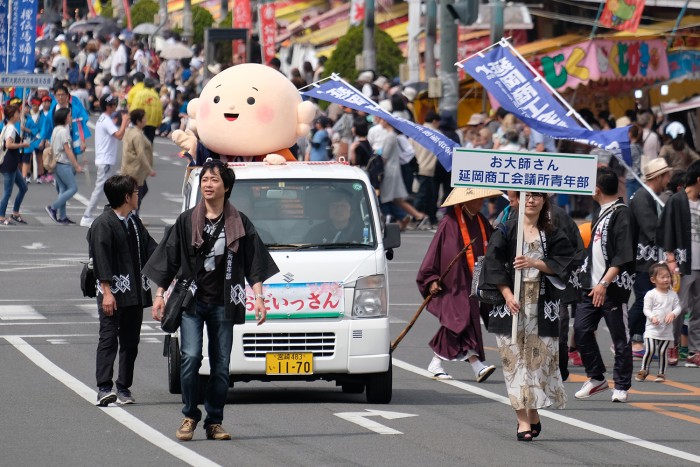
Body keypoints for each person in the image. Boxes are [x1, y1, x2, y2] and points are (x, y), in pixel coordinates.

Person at [144, 159, 279, 441]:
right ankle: (190, 415)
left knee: (221, 364)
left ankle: (214, 420)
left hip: (224, 302)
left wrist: (259, 298)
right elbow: (169, 259)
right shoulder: (186, 220)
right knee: (191, 357)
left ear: (226, 186)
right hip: (192, 301)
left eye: (214, 180)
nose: (208, 184)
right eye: (205, 179)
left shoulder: (239, 222)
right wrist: (159, 295)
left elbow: (254, 262)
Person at [482, 191, 574, 441]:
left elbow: (564, 261)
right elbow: (492, 263)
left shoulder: (552, 231)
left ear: (545, 200)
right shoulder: (505, 229)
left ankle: (533, 410)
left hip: (542, 306)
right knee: (515, 365)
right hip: (511, 304)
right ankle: (522, 420)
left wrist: (535, 263)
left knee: (538, 364)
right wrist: (507, 293)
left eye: (537, 196)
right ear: (518, 200)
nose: (531, 200)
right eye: (526, 196)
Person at [416, 187, 501, 383]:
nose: (481, 203)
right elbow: (434, 254)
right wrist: (431, 279)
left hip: (473, 282)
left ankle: (440, 363)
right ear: (464, 201)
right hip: (452, 283)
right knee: (460, 320)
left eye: (482, 199)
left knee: (462, 322)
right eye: (476, 199)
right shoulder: (449, 222)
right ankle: (476, 365)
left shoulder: (480, 221)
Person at [89, 174, 158, 406]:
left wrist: (174, 263)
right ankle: (104, 387)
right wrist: (107, 292)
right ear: (127, 197)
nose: (139, 195)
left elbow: (152, 250)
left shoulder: (134, 222)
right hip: (113, 293)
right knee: (108, 338)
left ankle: (124, 387)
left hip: (135, 292)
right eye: (136, 192)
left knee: (131, 341)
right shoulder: (103, 223)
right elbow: (101, 260)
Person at [573, 167, 635, 403]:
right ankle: (596, 377)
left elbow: (623, 254)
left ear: (596, 189)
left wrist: (605, 283)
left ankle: (621, 385)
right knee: (580, 331)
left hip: (612, 287)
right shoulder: (600, 210)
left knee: (620, 338)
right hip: (592, 285)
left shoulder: (622, 214)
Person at [628, 159, 673, 360]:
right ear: (659, 177)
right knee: (643, 301)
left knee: (646, 300)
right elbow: (652, 231)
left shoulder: (647, 196)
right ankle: (621, 336)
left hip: (646, 258)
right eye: (666, 175)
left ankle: (634, 342)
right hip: (642, 259)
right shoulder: (642, 197)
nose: (669, 179)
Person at [658, 159, 700, 368]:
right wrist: (671, 259)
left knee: (699, 309)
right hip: (683, 264)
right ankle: (672, 345)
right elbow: (665, 229)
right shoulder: (677, 200)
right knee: (678, 308)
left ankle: (694, 350)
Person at [81, 95, 129, 227]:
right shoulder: (106, 120)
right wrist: (124, 121)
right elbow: (119, 136)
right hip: (105, 160)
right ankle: (87, 215)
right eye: (113, 104)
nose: (115, 106)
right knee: (101, 188)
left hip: (105, 159)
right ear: (108, 106)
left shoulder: (104, 119)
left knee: (109, 188)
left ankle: (115, 214)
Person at [635, 263, 681, 383]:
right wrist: (652, 317)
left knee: (662, 352)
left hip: (666, 330)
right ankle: (644, 370)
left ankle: (661, 373)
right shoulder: (651, 294)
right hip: (652, 329)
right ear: (653, 279)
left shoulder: (673, 295)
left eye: (668, 277)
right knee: (649, 350)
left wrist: (673, 314)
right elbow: (646, 309)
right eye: (662, 277)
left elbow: (678, 307)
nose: (666, 279)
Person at [45, 108, 83, 225]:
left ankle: (62, 216)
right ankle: (53, 207)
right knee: (73, 188)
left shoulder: (56, 129)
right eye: (69, 116)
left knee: (63, 189)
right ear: (64, 118)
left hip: (56, 162)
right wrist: (76, 165)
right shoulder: (63, 131)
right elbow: (68, 150)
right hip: (63, 163)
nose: (71, 118)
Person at [0, 104, 31, 225]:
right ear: (13, 115)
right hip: (9, 162)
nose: (19, 115)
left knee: (23, 187)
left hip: (11, 163)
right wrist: (22, 145)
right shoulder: (11, 128)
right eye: (18, 113)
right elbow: (8, 144)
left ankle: (15, 213)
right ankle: (1, 216)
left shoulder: (8, 126)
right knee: (7, 191)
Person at [121, 109, 155, 213]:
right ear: (138, 121)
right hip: (135, 170)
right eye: (144, 118)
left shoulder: (130, 131)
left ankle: (131, 214)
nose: (146, 120)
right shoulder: (137, 135)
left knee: (141, 190)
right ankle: (133, 216)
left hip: (129, 167)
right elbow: (140, 154)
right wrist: (149, 169)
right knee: (137, 193)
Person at [130, 78, 162, 144]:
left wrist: (132, 120)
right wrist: (158, 122)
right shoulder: (156, 96)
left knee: (139, 144)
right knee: (149, 145)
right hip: (153, 123)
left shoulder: (140, 94)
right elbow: (160, 110)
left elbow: (135, 108)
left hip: (140, 122)